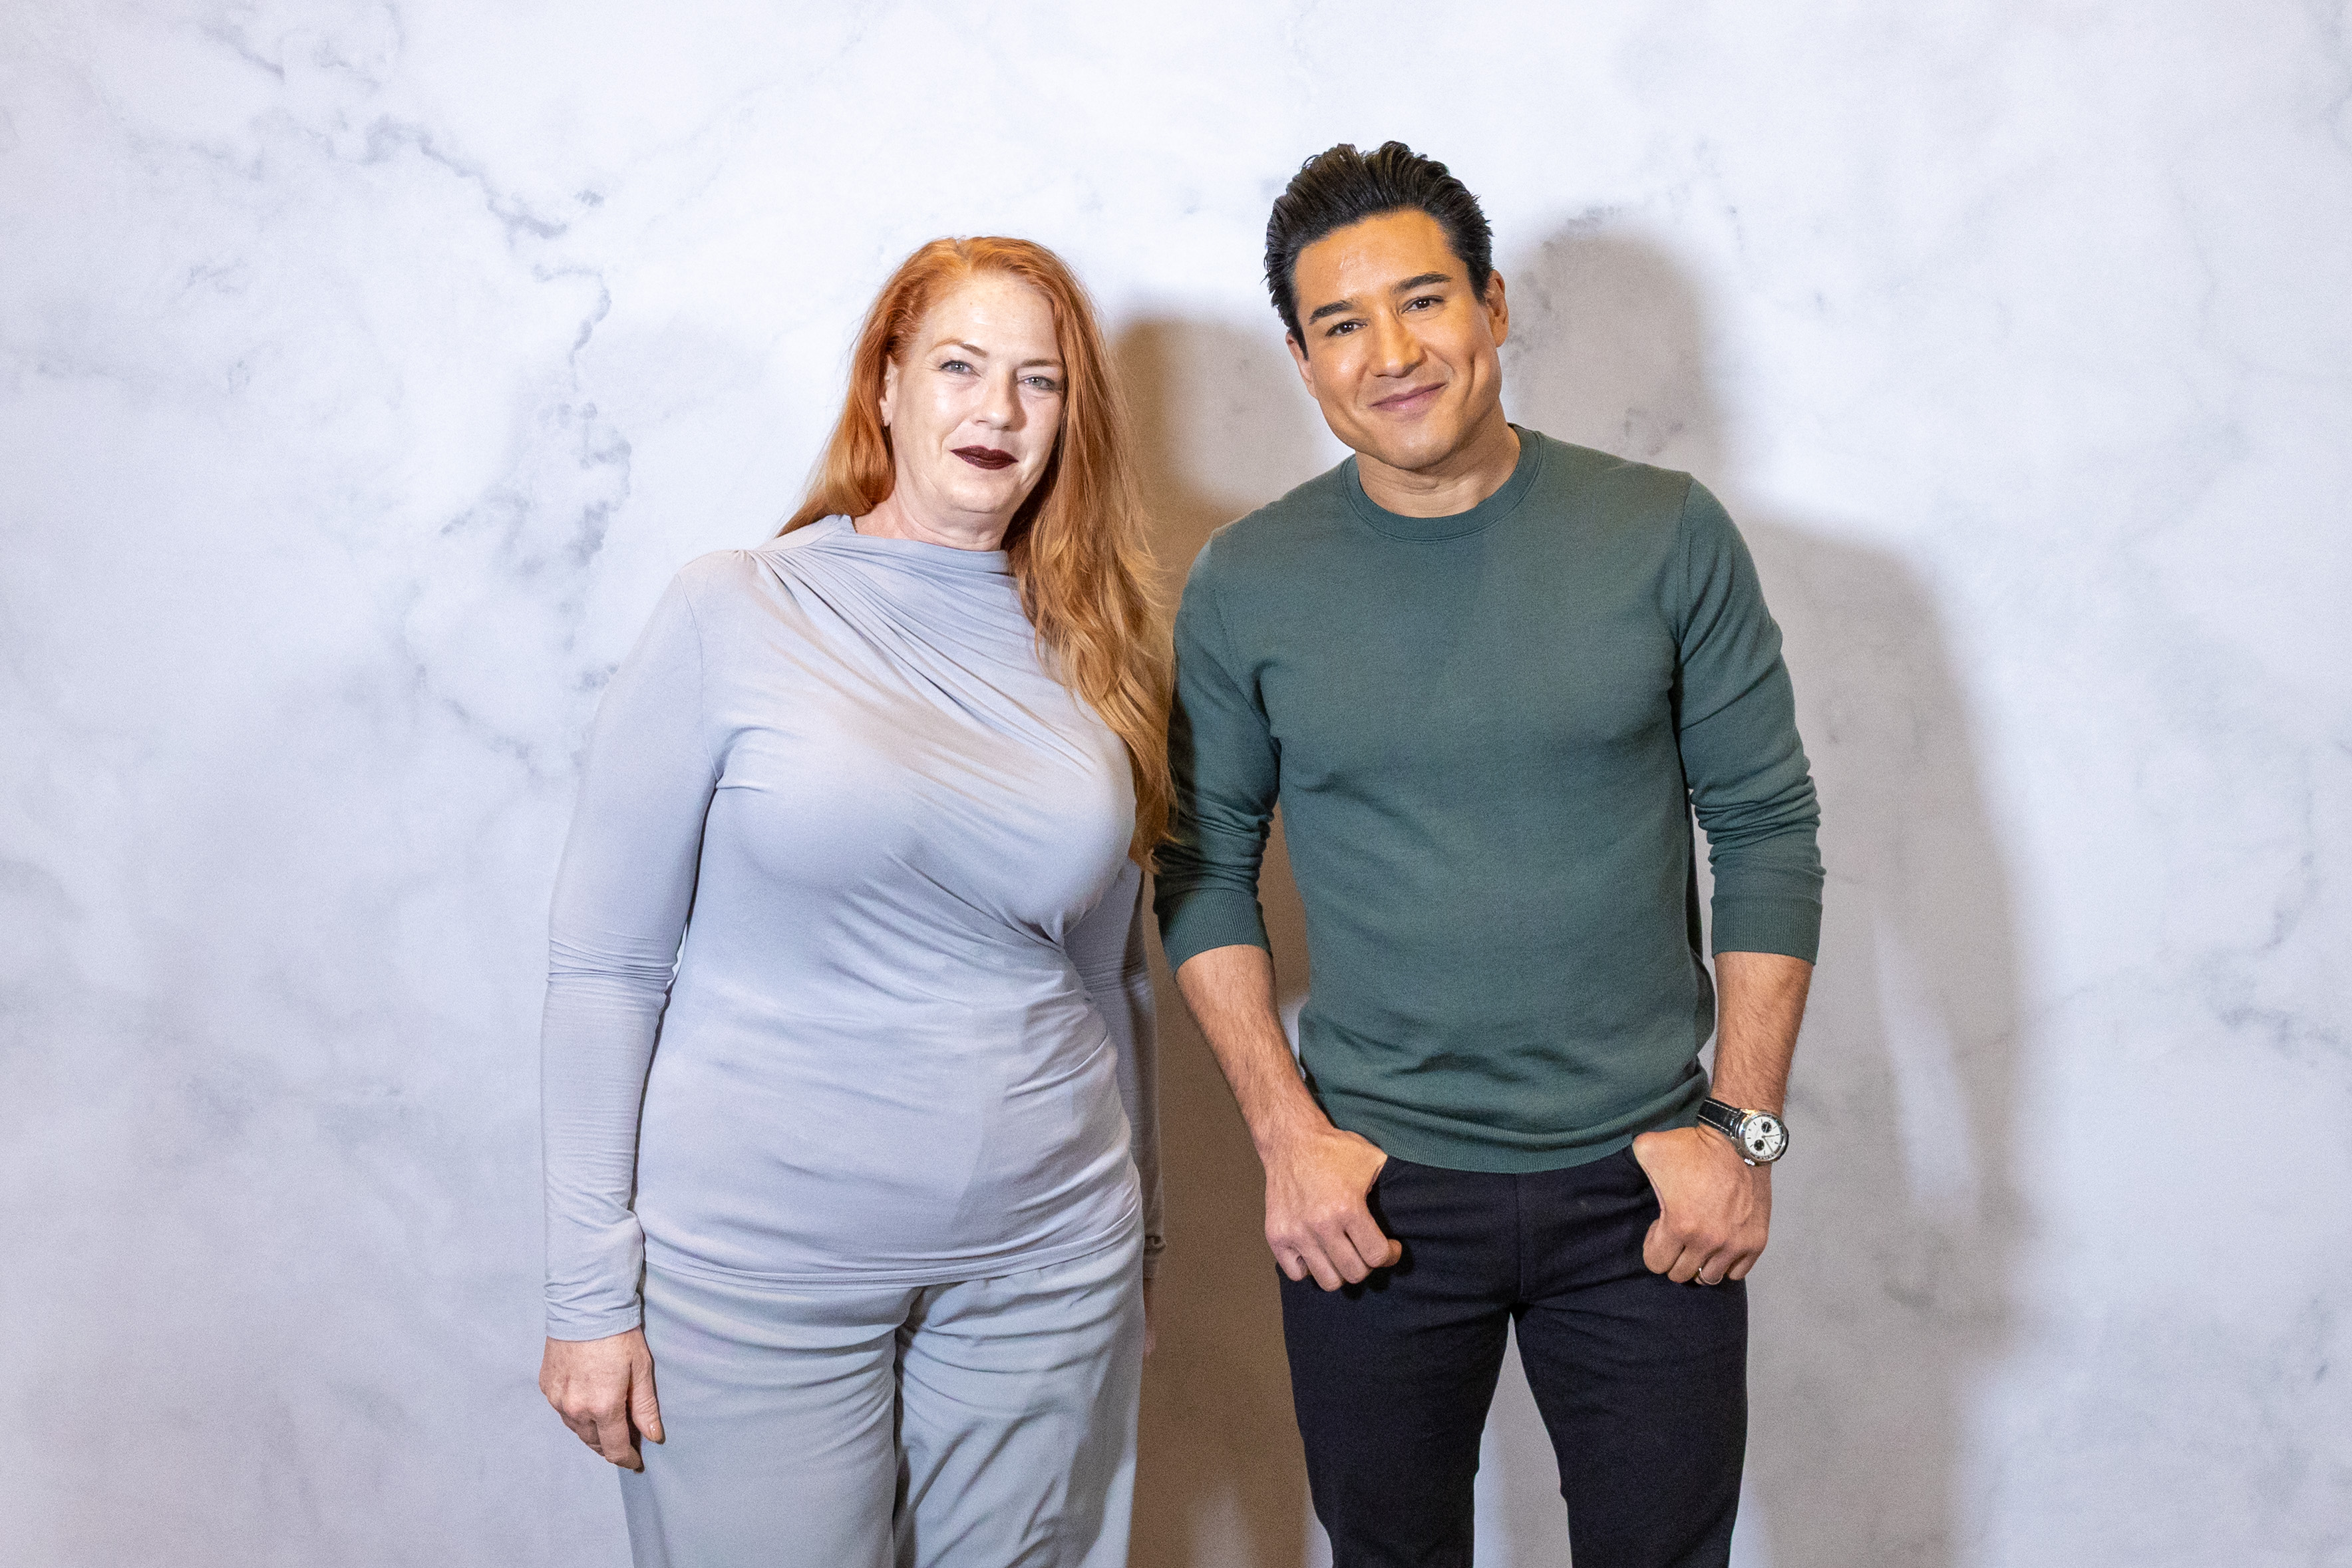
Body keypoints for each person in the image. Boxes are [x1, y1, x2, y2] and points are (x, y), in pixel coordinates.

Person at [1154, 143, 1823, 1568]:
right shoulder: (1249, 581)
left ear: (1493, 306)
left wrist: (1741, 1129)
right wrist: (1289, 1142)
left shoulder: (1664, 535)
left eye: (1423, 301)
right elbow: (1202, 869)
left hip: (1645, 1182)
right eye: (1342, 324)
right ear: (1301, 360)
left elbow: (1766, 828)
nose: (1392, 354)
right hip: (1372, 1186)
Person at [536, 235, 1169, 1568]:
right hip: (756, 1274)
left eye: (1039, 381)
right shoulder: (734, 609)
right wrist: (587, 1291)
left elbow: (1109, 974)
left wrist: (1146, 1239)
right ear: (885, 385)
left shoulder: (1096, 648)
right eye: (959, 366)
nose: (998, 411)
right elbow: (607, 965)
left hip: (1050, 1265)